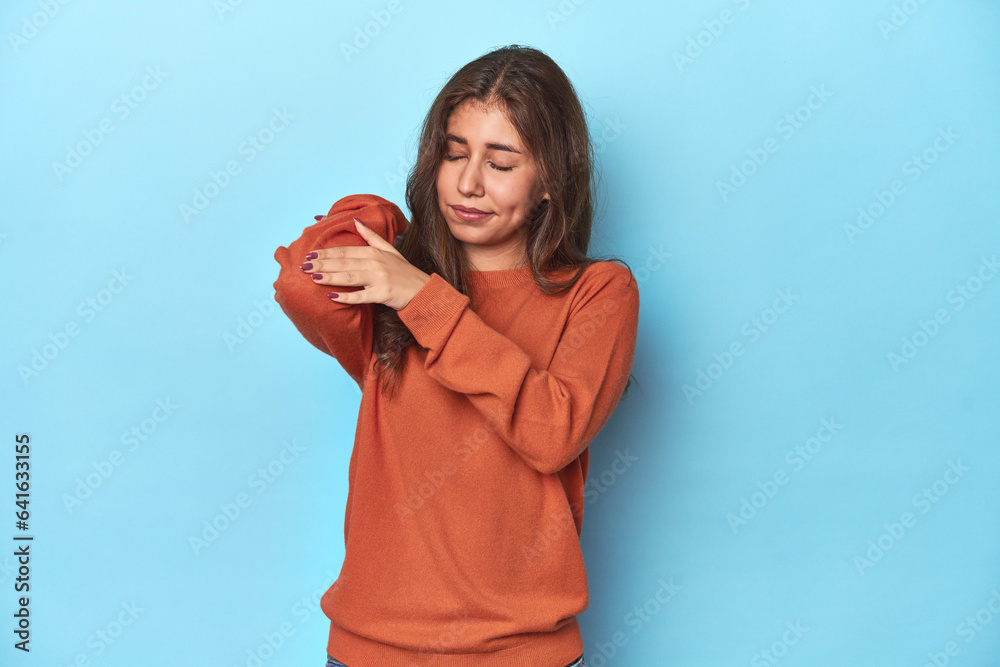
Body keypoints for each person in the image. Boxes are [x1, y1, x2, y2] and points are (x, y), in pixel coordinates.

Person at [272, 43, 640, 667]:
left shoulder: (598, 293)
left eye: (500, 163)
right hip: (370, 650)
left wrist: (425, 299)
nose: (468, 183)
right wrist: (385, 223)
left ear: (550, 178)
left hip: (522, 653)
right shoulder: (390, 283)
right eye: (453, 153)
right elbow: (302, 284)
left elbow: (553, 432)